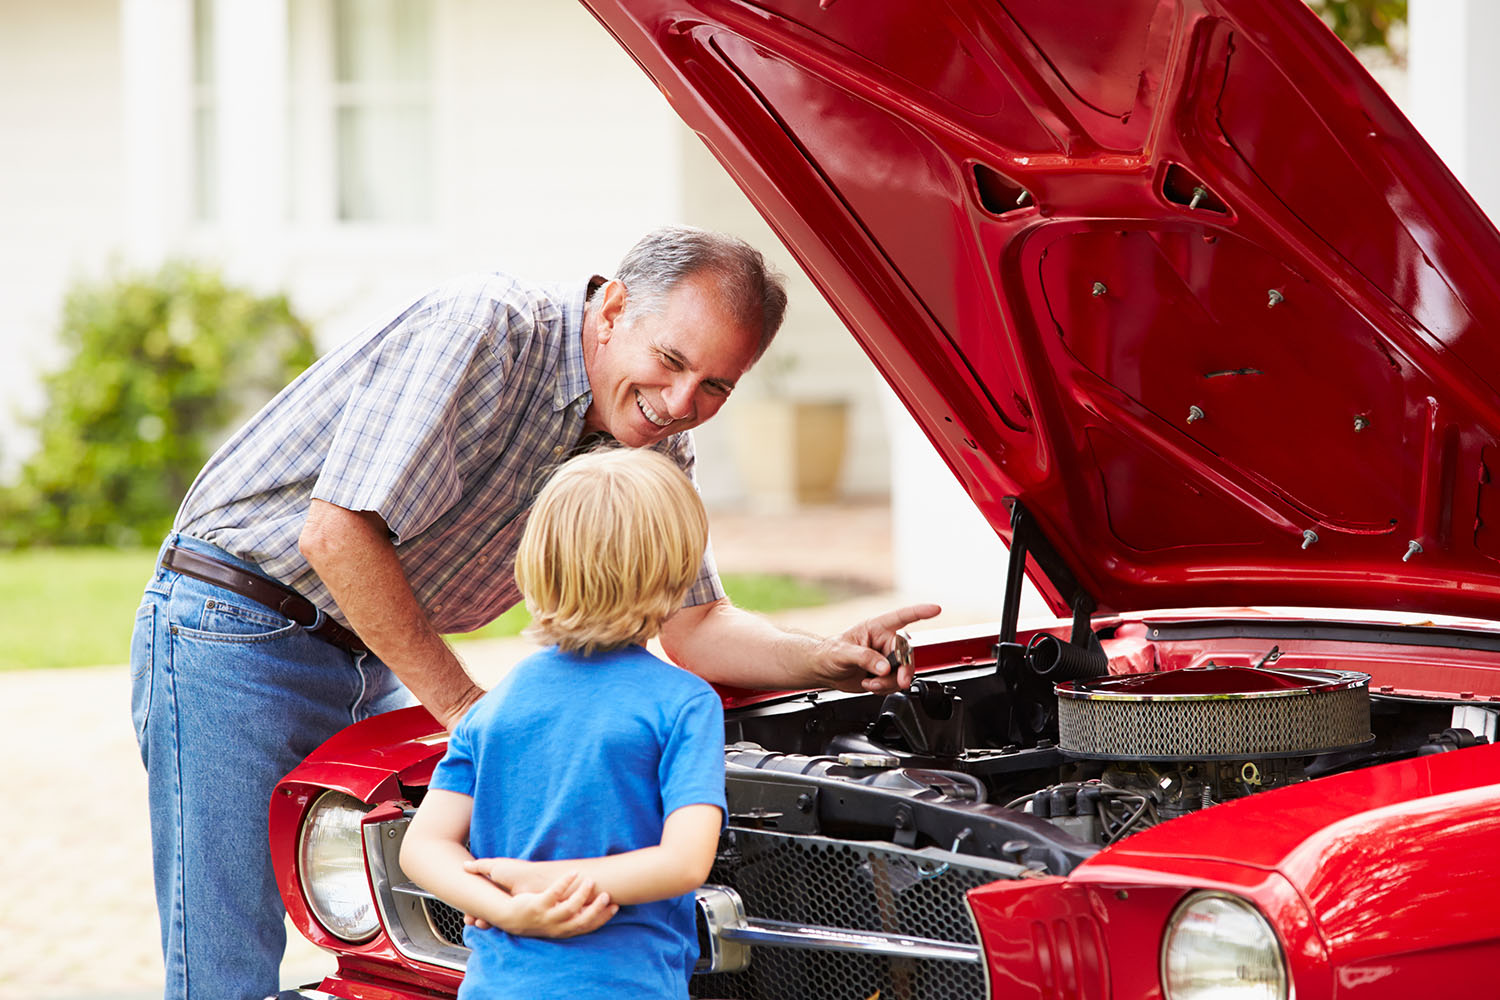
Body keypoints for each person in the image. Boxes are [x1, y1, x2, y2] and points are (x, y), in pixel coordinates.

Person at [129, 225, 939, 1000]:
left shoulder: (649, 438)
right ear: (615, 308)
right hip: (234, 620)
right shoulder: (487, 326)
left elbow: (695, 625)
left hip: (368, 643)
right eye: (671, 360)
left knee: (373, 930)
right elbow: (337, 534)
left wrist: (829, 657)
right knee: (226, 959)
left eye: (716, 385)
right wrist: (471, 715)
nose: (682, 400)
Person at [401, 447, 727, 998]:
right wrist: (546, 882)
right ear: (676, 570)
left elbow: (423, 849)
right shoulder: (685, 703)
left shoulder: (495, 706)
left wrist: (511, 907)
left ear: (535, 564)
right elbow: (685, 861)